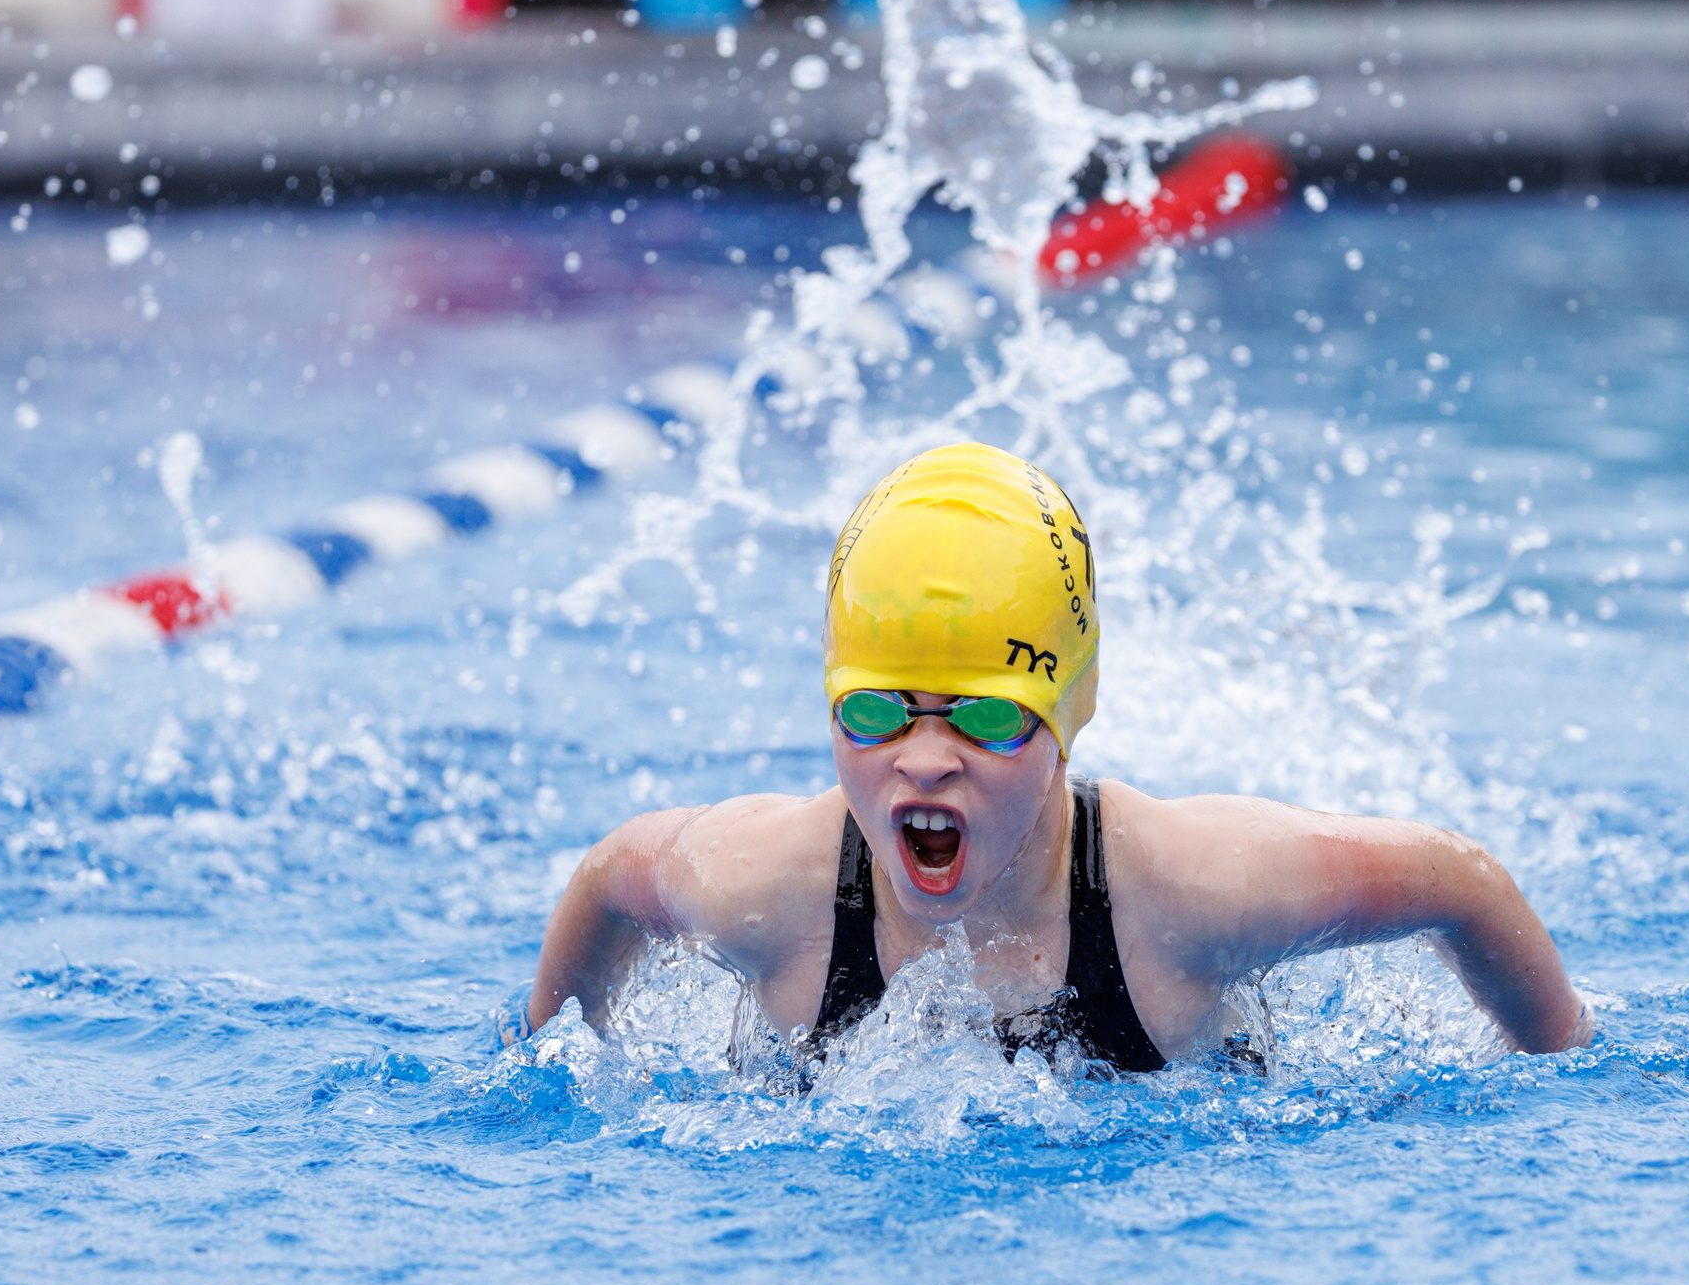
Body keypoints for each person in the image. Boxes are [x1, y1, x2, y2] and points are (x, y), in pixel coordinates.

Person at [525, 442, 1593, 1070]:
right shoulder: (771, 888)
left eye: (986, 719)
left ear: (1065, 715)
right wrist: (551, 1061)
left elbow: (1459, 881)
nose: (925, 759)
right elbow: (612, 874)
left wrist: (1562, 1076)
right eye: (875, 713)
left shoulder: (1185, 891)